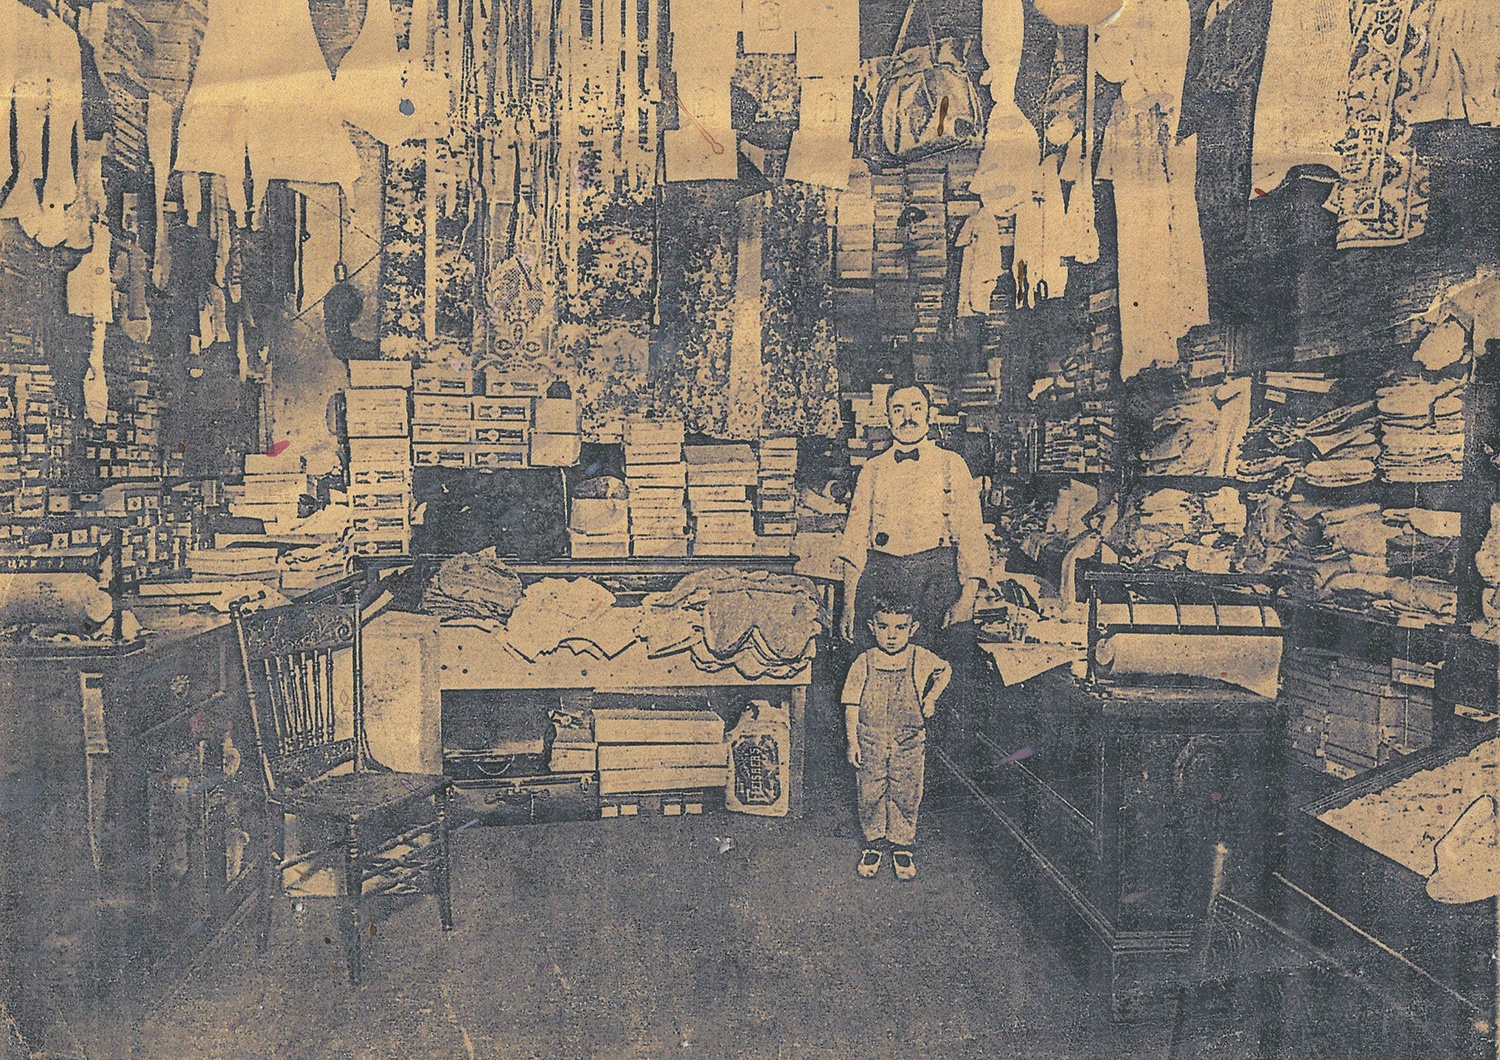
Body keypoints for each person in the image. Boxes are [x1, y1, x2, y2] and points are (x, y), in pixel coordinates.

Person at [838, 381, 988, 656]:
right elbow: (854, 542)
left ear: (930, 415)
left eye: (916, 408)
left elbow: (972, 537)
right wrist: (849, 606)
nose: (908, 417)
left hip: (935, 584)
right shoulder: (871, 470)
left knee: (935, 676)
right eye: (898, 409)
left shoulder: (952, 465)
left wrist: (967, 600)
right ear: (888, 418)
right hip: (881, 578)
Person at [843, 593, 952, 880]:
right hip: (871, 739)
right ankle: (874, 842)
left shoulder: (920, 657)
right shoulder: (863, 662)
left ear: (912, 628)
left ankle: (902, 844)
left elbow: (945, 670)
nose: (891, 636)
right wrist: (852, 741)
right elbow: (851, 703)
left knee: (906, 790)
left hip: (909, 740)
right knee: (870, 790)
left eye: (900, 628)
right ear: (871, 626)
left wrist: (931, 698)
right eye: (884, 627)